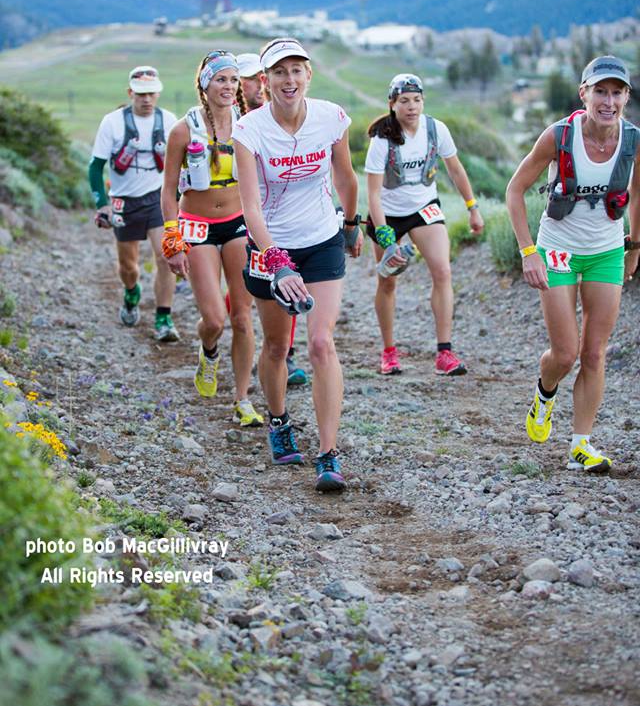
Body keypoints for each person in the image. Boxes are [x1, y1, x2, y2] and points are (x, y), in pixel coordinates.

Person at [233, 37, 363, 492]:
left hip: (322, 239)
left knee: (322, 343)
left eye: (296, 70)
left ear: (309, 74)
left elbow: (345, 176)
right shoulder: (249, 130)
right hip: (271, 246)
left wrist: (352, 224)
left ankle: (328, 454)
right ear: (264, 80)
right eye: (279, 72)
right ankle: (278, 420)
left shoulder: (331, 117)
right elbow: (250, 207)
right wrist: (277, 262)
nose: (289, 80)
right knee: (276, 346)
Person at [506, 55, 640, 474]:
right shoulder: (559, 136)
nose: (608, 101)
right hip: (558, 248)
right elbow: (514, 190)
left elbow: (638, 193)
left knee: (595, 353)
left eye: (617, 93)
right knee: (565, 354)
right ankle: (545, 393)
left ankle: (581, 446)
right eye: (600, 91)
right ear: (584, 94)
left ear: (626, 97)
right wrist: (528, 252)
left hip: (606, 251)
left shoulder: (633, 140)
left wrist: (634, 246)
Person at [160, 51, 263, 428]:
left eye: (234, 80)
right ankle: (208, 350)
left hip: (237, 223)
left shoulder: (248, 125)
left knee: (243, 317)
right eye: (221, 79)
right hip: (197, 225)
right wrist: (172, 237)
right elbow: (168, 189)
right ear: (205, 85)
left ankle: (242, 399)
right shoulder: (183, 130)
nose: (229, 86)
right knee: (215, 320)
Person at [365, 73, 484, 376]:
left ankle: (444, 353)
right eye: (404, 101)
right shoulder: (381, 139)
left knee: (442, 271)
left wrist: (472, 208)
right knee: (388, 280)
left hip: (424, 208)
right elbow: (373, 194)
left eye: (416, 100)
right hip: (387, 214)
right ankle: (389, 352)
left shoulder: (436, 130)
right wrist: (386, 237)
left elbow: (455, 169)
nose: (411, 107)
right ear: (392, 104)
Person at [89, 66, 179, 341]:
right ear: (130, 93)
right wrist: (102, 204)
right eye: (141, 94)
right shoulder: (112, 123)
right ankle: (131, 292)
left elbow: (182, 163)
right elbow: (95, 167)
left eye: (151, 93)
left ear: (158, 93)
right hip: (123, 201)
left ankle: (164, 318)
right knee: (128, 266)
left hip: (157, 199)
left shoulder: (170, 121)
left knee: (165, 256)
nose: (146, 99)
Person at [237, 52, 308, 387]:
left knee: (285, 281)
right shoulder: (230, 119)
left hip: (271, 218)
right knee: (241, 296)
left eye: (256, 78)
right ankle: (243, 336)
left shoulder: (283, 112)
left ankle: (283, 353)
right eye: (247, 79)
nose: (253, 86)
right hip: (235, 214)